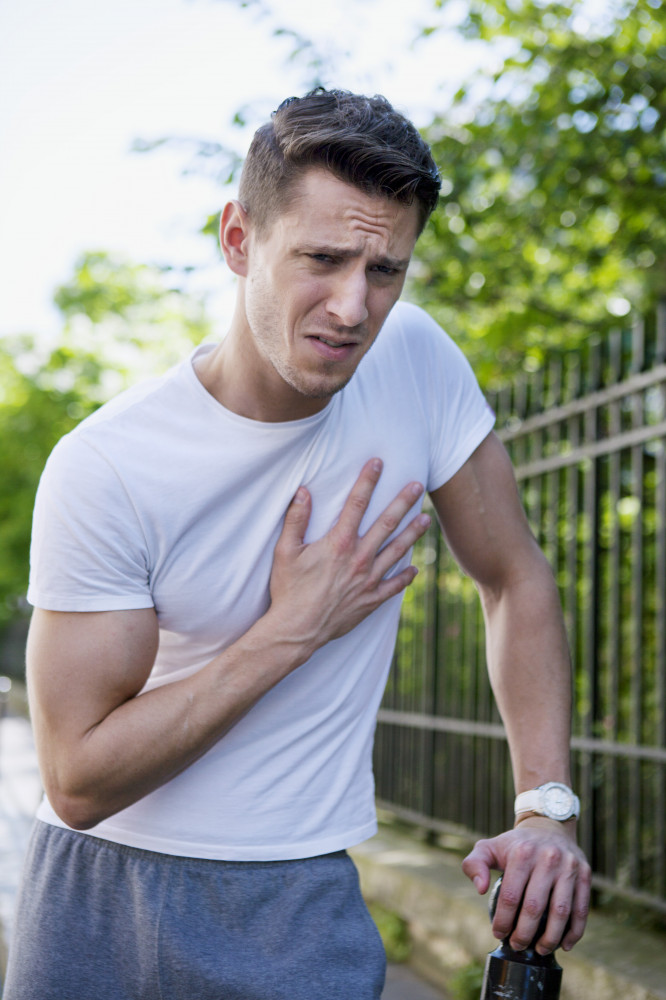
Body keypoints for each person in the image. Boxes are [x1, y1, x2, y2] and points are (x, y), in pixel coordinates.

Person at [5, 88, 590, 1000]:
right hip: (104, 894)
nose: (353, 307)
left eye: (385, 270)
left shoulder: (418, 363)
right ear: (240, 239)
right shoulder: (108, 466)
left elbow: (513, 576)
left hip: (302, 898)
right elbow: (78, 779)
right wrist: (293, 630)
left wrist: (546, 810)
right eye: (321, 258)